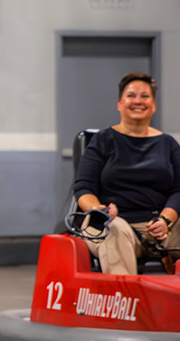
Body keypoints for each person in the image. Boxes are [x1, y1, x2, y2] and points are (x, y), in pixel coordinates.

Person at [73, 70, 180, 275]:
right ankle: (125, 302)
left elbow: (178, 189)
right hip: (114, 222)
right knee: (114, 229)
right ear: (119, 103)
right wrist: (100, 210)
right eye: (131, 95)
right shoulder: (103, 141)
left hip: (160, 227)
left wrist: (166, 220)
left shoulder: (168, 144)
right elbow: (83, 188)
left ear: (154, 105)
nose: (138, 101)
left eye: (145, 96)